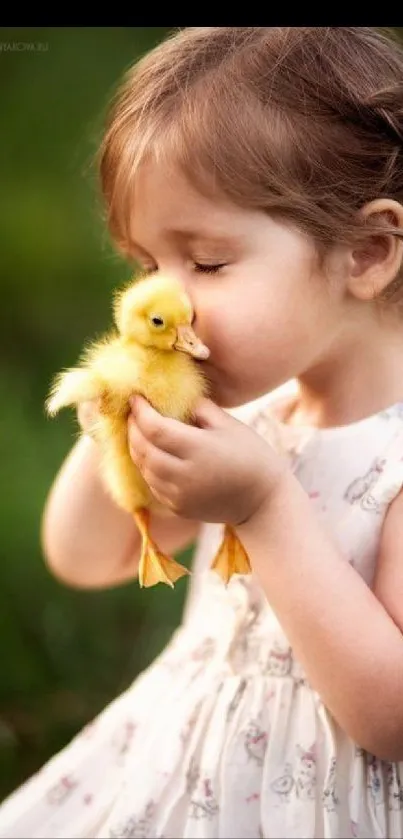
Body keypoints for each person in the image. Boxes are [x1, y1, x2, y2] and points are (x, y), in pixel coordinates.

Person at [2, 25, 403, 839]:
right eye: (147, 264)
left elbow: (389, 720)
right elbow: (83, 556)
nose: (169, 300)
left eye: (207, 263)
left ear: (364, 252)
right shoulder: (252, 413)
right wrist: (118, 420)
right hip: (186, 769)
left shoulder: (388, 458)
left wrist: (263, 506)